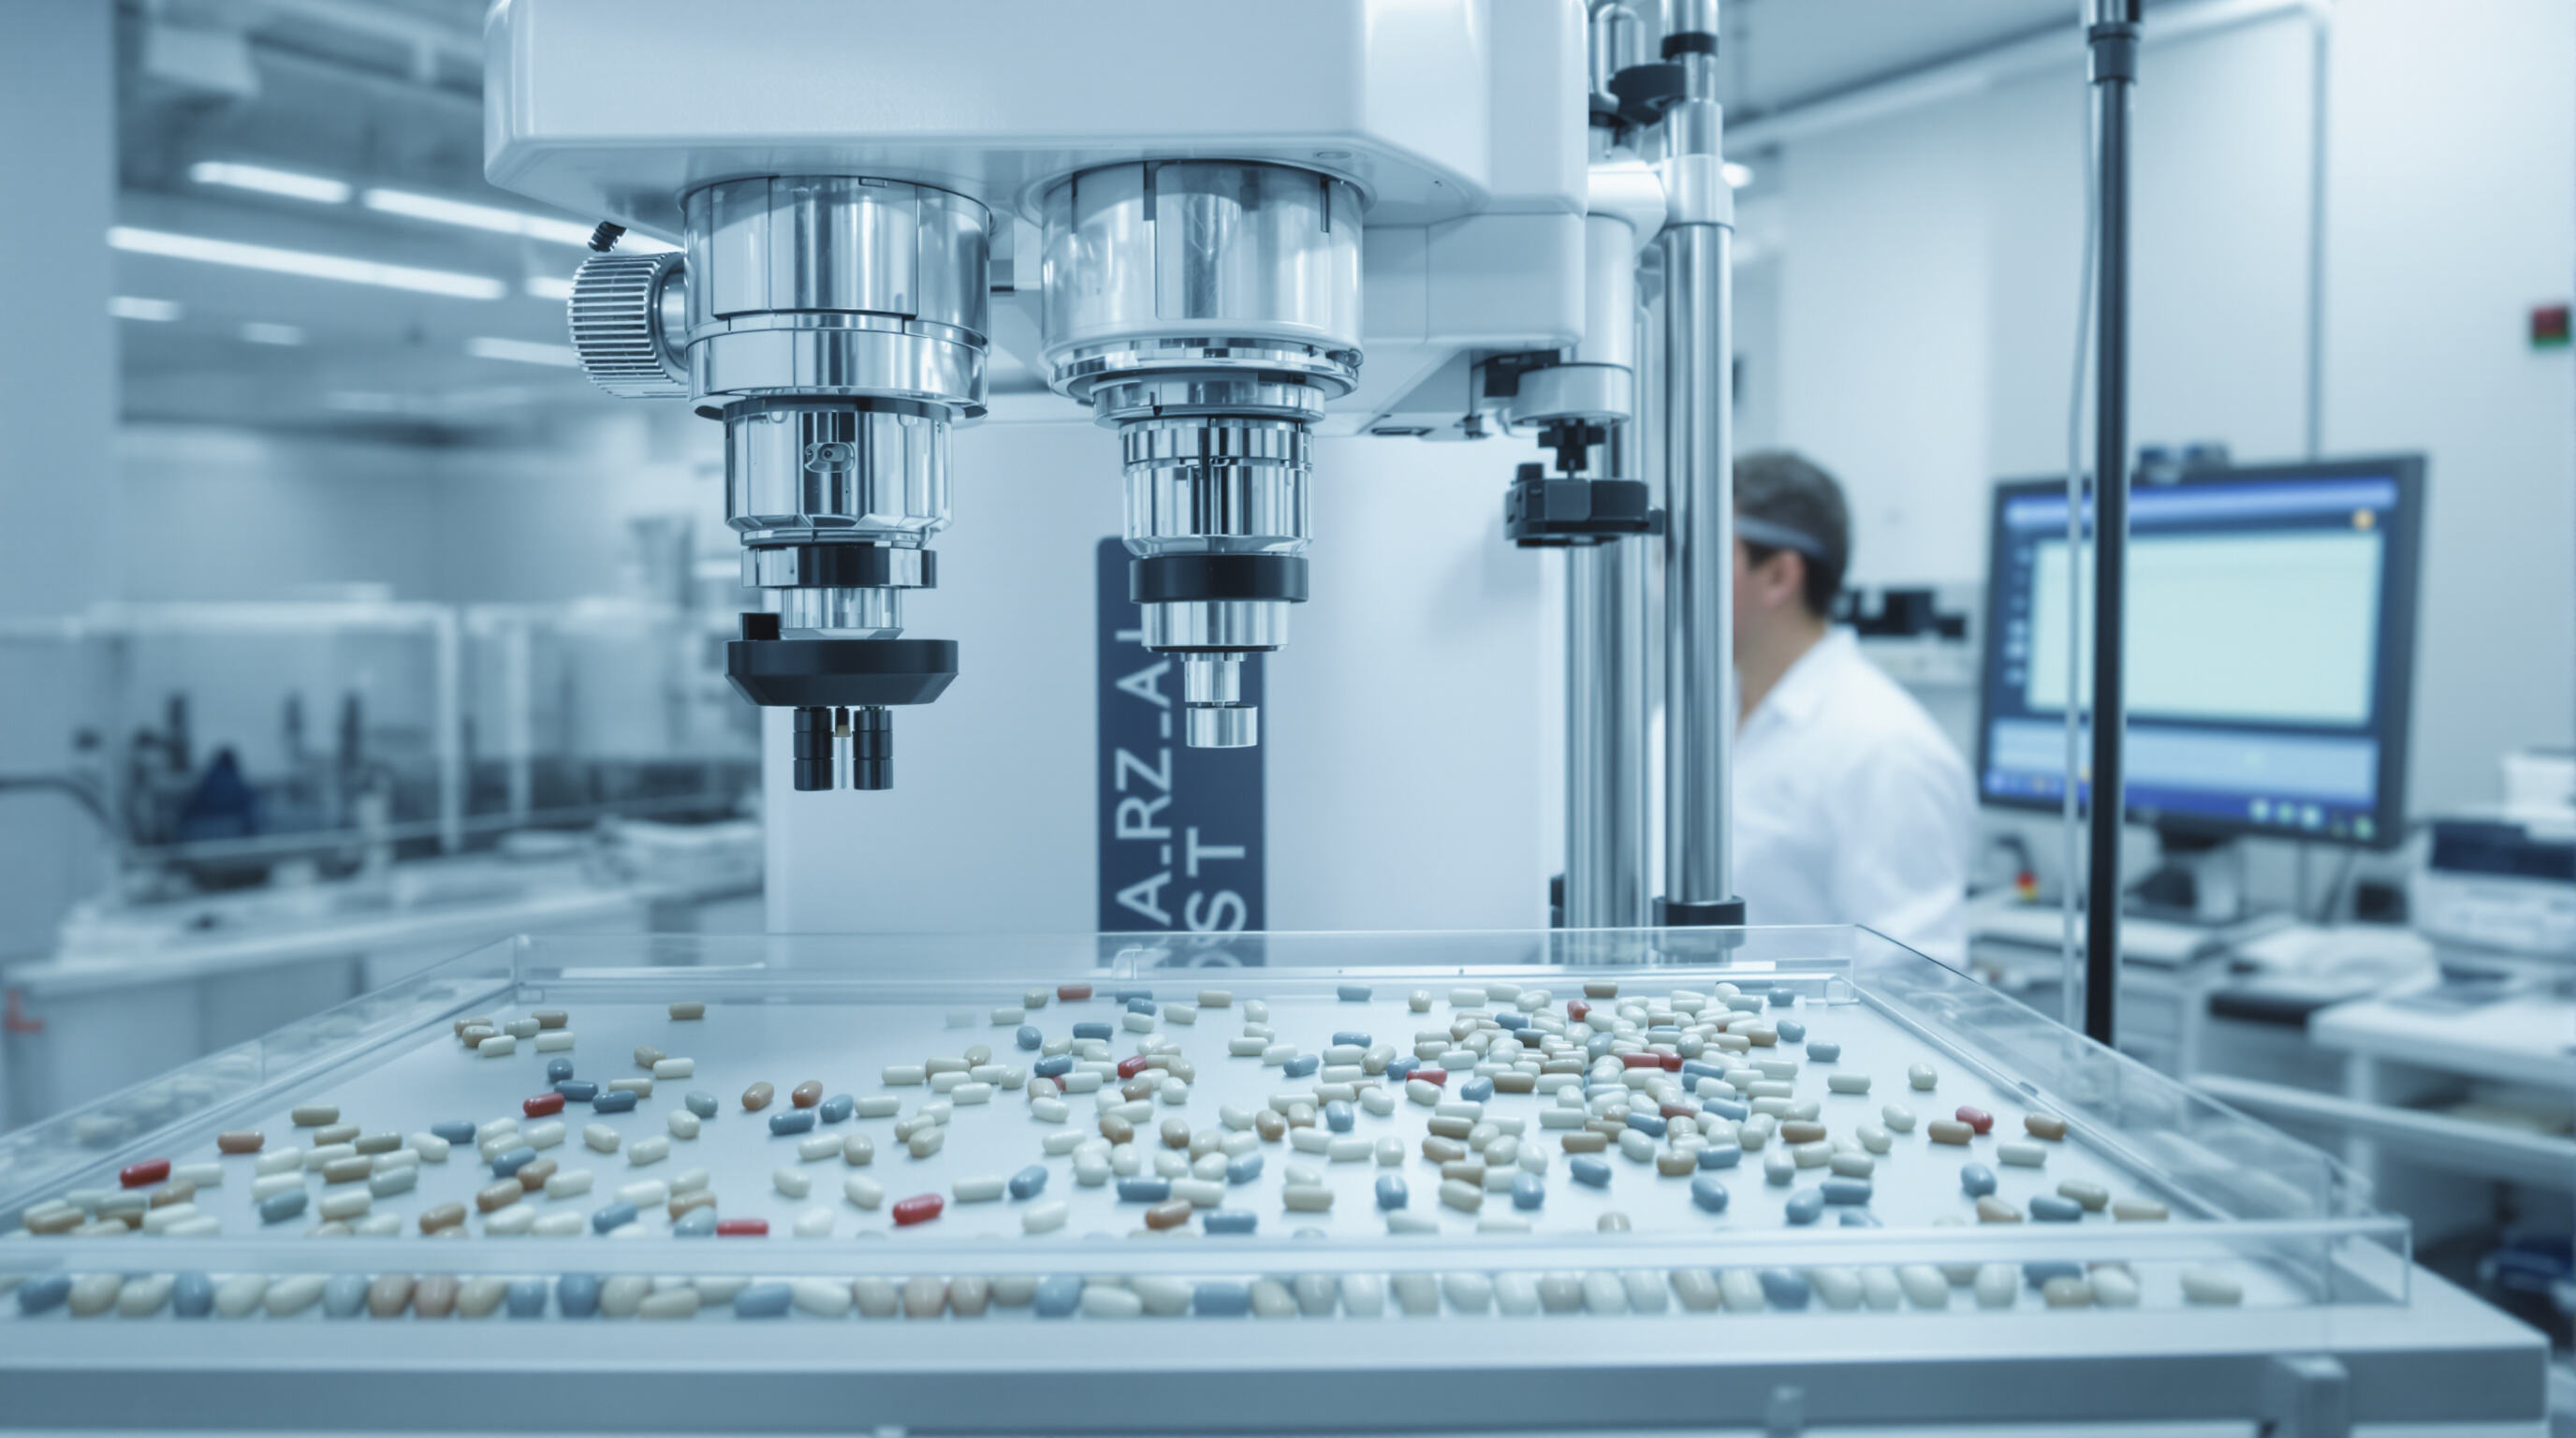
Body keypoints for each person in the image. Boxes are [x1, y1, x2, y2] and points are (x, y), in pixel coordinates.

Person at [1729, 450, 1974, 961]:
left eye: (1695, 559)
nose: (1664, 585)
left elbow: (1914, 979)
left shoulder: (1885, 749)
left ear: (1778, 576)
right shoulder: (1678, 723)